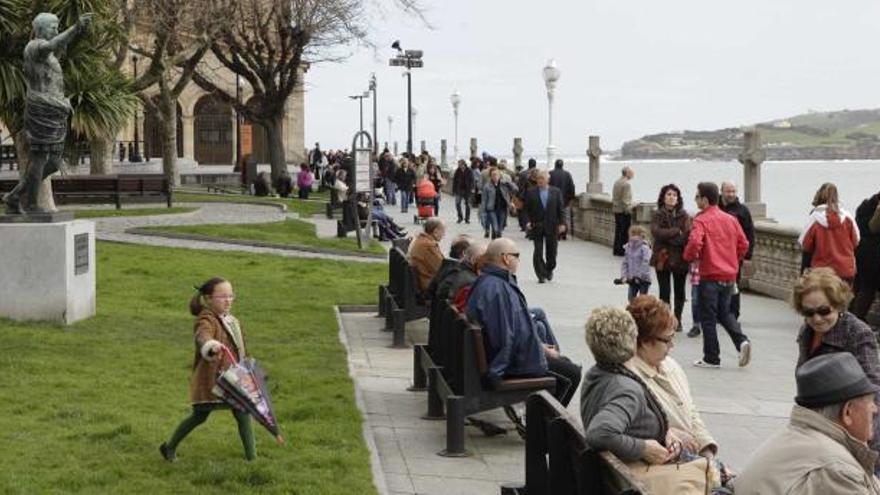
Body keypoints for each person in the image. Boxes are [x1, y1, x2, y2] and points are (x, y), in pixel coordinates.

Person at [732, 353, 880, 494]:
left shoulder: (801, 436)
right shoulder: (837, 471)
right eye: (871, 402)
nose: (875, 409)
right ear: (847, 412)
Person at [625, 295, 731, 487]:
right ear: (645, 341)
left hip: (687, 463)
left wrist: (708, 453)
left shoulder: (670, 366)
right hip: (664, 469)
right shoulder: (630, 378)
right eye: (667, 340)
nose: (672, 346)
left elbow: (691, 412)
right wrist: (666, 433)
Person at [466, 238, 582, 407]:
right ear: (505, 258)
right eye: (517, 255)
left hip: (506, 358)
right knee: (571, 374)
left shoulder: (489, 281)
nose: (519, 260)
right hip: (514, 365)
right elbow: (506, 339)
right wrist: (535, 354)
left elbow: (513, 328)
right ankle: (545, 428)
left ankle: (541, 420)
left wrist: (539, 347)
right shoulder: (499, 289)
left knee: (563, 362)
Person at [3, 12, 92, 214]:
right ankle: (32, 205)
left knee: (52, 163)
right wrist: (75, 28)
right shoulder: (34, 46)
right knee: (40, 158)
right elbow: (52, 45)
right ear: (41, 28)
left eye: (57, 27)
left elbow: (57, 48)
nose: (56, 30)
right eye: (53, 27)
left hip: (54, 110)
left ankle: (15, 195)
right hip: (41, 110)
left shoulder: (49, 55)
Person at [160, 278, 256, 461]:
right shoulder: (206, 318)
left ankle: (252, 460)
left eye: (231, 296)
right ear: (209, 299)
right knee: (199, 416)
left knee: (243, 412)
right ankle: (169, 447)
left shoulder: (233, 321)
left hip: (234, 378)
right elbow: (202, 336)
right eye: (222, 297)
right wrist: (211, 346)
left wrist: (248, 367)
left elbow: (241, 348)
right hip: (211, 381)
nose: (228, 300)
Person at [793, 267, 880, 468]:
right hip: (817, 430)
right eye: (809, 312)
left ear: (838, 305)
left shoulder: (858, 333)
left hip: (852, 433)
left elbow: (872, 387)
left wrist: (866, 441)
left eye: (824, 311)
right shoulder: (807, 331)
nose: (816, 318)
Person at [581, 305, 681, 464]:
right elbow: (600, 433)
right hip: (637, 475)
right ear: (633, 340)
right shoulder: (626, 389)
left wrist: (664, 434)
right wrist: (643, 448)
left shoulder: (597, 373)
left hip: (615, 474)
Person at [683, 182, 752, 368]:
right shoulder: (730, 219)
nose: (696, 199)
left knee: (708, 317)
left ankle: (711, 357)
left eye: (697, 196)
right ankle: (742, 341)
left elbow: (695, 242)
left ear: (705, 199)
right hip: (729, 274)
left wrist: (689, 256)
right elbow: (744, 243)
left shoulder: (701, 220)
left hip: (710, 274)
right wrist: (733, 260)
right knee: (725, 312)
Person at [799, 182, 860, 285]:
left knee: (824, 300)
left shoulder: (814, 218)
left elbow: (805, 245)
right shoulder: (848, 217)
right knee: (842, 300)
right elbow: (856, 241)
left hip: (821, 272)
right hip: (845, 271)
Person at [650, 184, 691, 329]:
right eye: (669, 194)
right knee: (665, 291)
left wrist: (669, 236)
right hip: (663, 257)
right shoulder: (657, 214)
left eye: (674, 195)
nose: (671, 197)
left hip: (680, 258)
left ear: (678, 198)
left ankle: (678, 319)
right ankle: (666, 320)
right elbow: (656, 232)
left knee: (680, 291)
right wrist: (675, 231)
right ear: (663, 197)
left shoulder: (684, 215)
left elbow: (686, 236)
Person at [720, 181, 755, 320]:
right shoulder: (716, 208)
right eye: (728, 191)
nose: (731, 194)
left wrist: (747, 256)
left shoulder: (742, 211)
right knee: (718, 285)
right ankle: (720, 311)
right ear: (721, 191)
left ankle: (733, 313)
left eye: (733, 191)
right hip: (718, 253)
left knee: (734, 284)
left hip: (736, 255)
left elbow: (750, 234)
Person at [524, 170, 566, 283]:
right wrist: (527, 221)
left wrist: (562, 223)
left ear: (548, 180)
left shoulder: (556, 192)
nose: (540, 180)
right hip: (536, 225)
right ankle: (540, 275)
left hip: (552, 225)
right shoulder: (531, 192)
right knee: (538, 251)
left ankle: (549, 269)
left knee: (552, 252)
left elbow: (561, 209)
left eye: (542, 178)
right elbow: (526, 209)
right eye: (538, 178)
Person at [853, 191, 880, 320]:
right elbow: (872, 228)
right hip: (871, 258)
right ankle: (854, 322)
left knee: (858, 289)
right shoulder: (874, 210)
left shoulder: (864, 207)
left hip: (860, 255)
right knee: (866, 291)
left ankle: (849, 321)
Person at [407, 218, 446, 294]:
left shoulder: (422, 240)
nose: (444, 235)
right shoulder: (428, 245)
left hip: (423, 280)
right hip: (428, 284)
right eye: (443, 231)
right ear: (435, 231)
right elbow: (441, 269)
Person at [620, 226, 652, 301]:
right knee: (631, 299)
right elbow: (625, 263)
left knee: (642, 300)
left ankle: (641, 312)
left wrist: (639, 276)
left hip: (643, 279)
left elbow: (646, 262)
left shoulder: (644, 248)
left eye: (636, 235)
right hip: (632, 279)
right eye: (632, 235)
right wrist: (624, 276)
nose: (634, 237)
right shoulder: (628, 247)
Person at [482, 168, 513, 239]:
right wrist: (483, 212)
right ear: (490, 176)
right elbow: (484, 200)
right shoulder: (487, 186)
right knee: (495, 228)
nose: (495, 176)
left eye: (496, 175)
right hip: (491, 209)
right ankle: (494, 244)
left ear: (500, 175)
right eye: (493, 175)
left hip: (502, 209)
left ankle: (496, 244)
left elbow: (515, 189)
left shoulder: (504, 184)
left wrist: (508, 183)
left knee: (500, 230)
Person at [549, 159, 576, 240]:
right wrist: (572, 198)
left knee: (554, 216)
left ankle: (556, 233)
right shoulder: (567, 174)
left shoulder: (551, 174)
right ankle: (563, 233)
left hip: (552, 199)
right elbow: (572, 187)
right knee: (563, 216)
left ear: (555, 165)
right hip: (565, 200)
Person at [611, 166, 635, 256]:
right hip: (623, 211)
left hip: (616, 210)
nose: (633, 174)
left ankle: (617, 250)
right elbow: (625, 201)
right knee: (624, 232)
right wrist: (633, 206)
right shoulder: (626, 184)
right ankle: (622, 250)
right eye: (632, 172)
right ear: (627, 173)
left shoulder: (617, 182)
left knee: (618, 231)